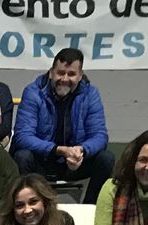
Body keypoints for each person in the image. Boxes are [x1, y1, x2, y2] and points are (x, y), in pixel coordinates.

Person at [11, 49, 113, 203]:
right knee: (22, 156)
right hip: (42, 161)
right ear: (51, 72)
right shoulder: (33, 92)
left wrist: (81, 151)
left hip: (75, 162)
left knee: (106, 159)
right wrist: (57, 150)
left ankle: (90, 208)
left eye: (71, 74)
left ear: (79, 76)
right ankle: (29, 206)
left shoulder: (90, 94)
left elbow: (100, 135)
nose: (65, 79)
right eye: (60, 73)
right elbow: (22, 136)